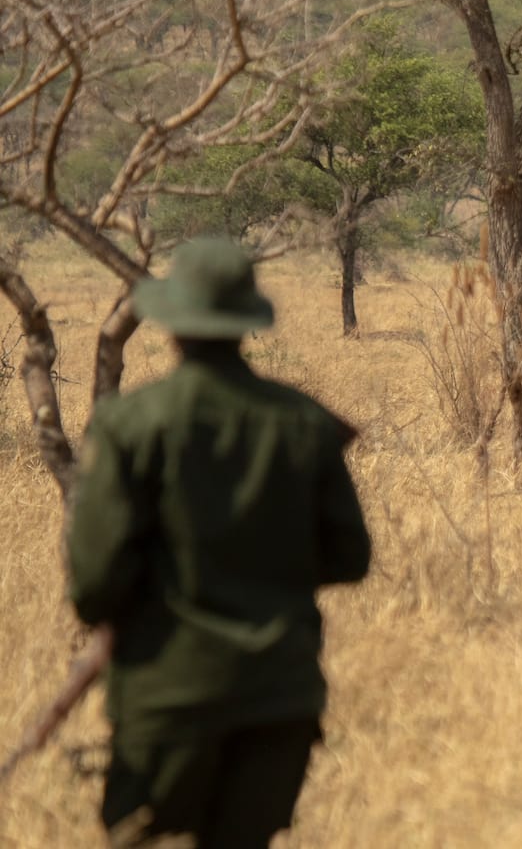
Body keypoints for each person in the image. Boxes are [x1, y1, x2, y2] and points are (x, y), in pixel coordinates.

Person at [66, 238, 372, 847]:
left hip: (167, 698)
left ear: (174, 325)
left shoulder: (132, 424)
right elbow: (350, 557)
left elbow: (95, 585)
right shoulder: (303, 423)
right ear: (244, 324)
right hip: (278, 697)